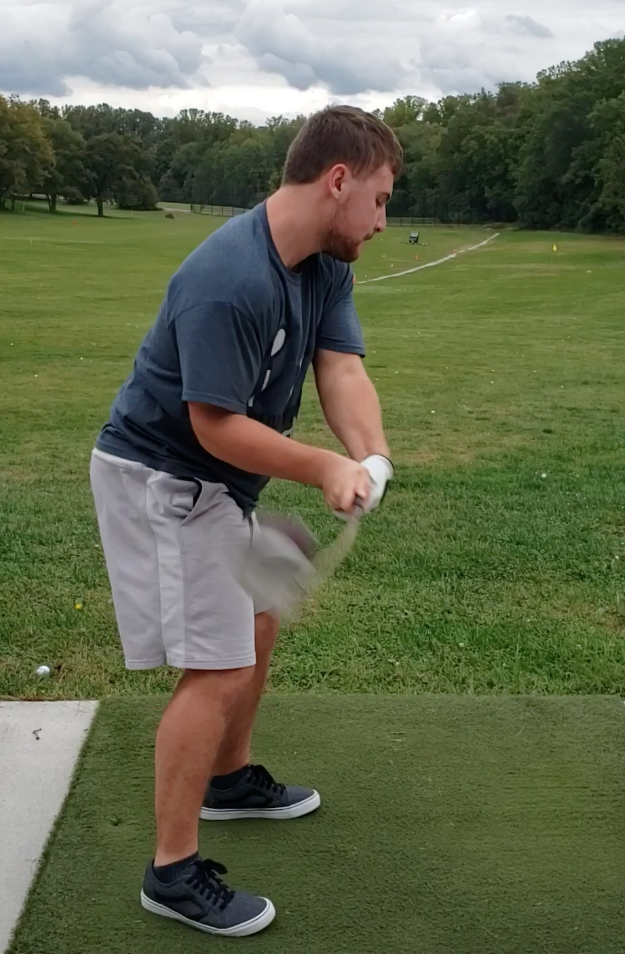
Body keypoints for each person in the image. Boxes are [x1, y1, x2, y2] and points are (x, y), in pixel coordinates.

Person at [89, 104, 403, 938]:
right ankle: (171, 872)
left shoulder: (322, 267)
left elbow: (340, 368)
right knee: (218, 667)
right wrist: (324, 467)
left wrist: (370, 455)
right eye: (379, 200)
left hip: (217, 483)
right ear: (337, 181)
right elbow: (213, 425)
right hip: (163, 476)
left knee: (257, 618)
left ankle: (226, 781)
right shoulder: (230, 276)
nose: (381, 221)